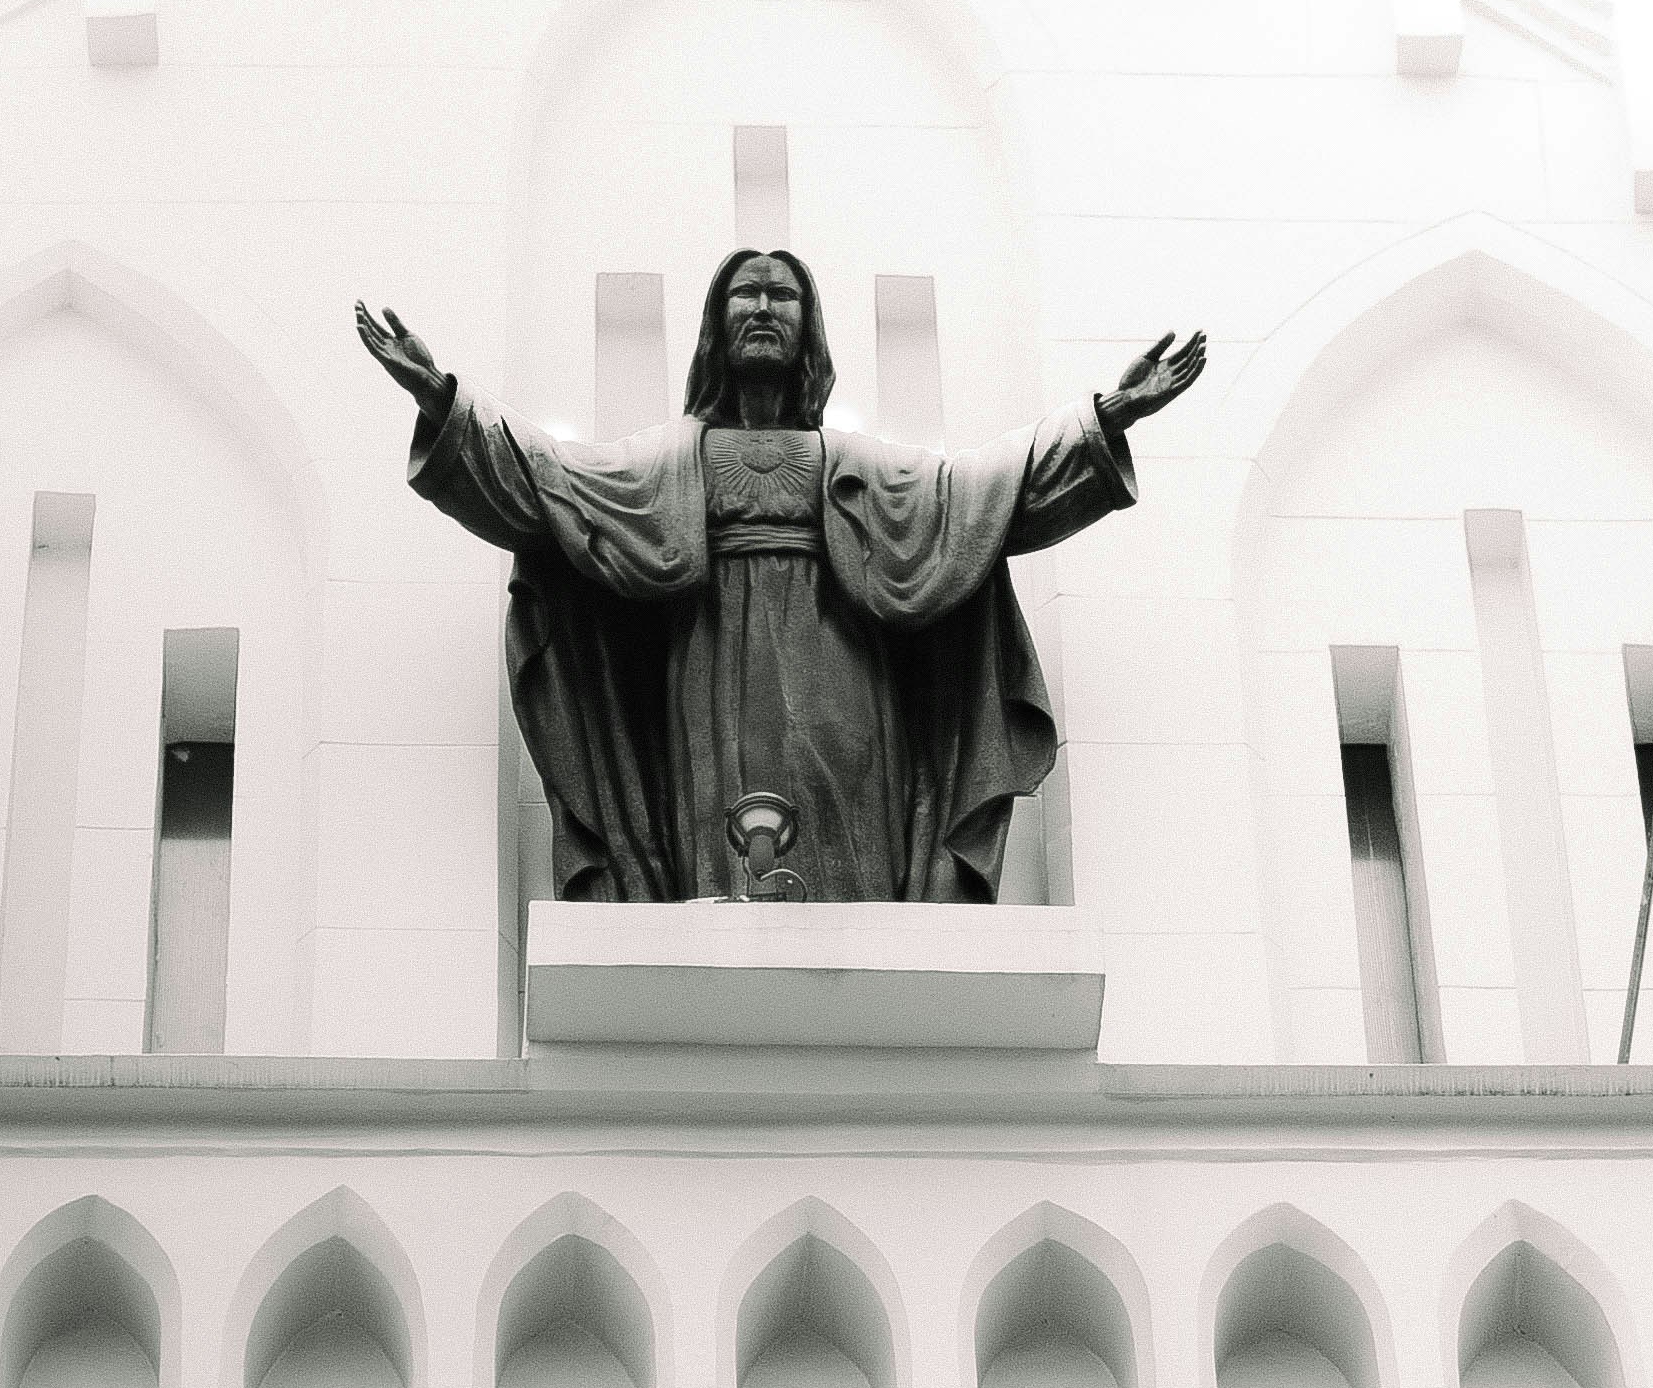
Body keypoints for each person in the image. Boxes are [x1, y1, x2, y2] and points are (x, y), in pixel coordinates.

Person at [357, 247, 1203, 906]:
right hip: (708, 666)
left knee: (846, 823)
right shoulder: (670, 460)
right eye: (745, 294)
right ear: (716, 325)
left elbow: (987, 494)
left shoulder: (855, 463)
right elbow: (547, 480)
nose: (763, 308)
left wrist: (1107, 417)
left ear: (809, 327)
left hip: (839, 672)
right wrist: (444, 399)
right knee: (716, 821)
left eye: (783, 296)